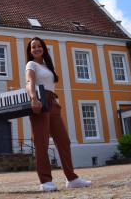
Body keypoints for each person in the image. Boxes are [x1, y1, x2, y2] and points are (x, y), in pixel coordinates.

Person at [25, 37, 91, 191]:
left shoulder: (47, 66)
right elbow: (29, 83)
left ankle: (72, 178)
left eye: (39, 46)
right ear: (30, 51)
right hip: (40, 101)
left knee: (64, 141)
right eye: (33, 47)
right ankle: (45, 181)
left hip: (53, 102)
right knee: (42, 143)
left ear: (44, 49)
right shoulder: (31, 64)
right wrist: (33, 98)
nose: (36, 48)